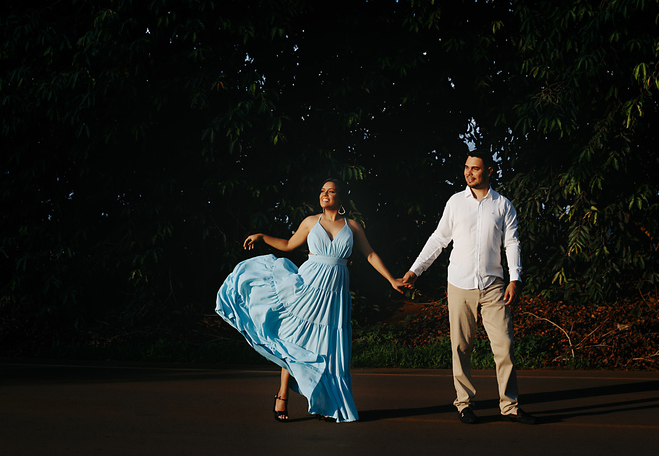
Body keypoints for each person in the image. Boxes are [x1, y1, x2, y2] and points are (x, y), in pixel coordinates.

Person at [216, 178, 407, 423]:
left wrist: (391, 280)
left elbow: (369, 254)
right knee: (295, 339)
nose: (325, 194)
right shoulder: (310, 222)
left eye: (331, 191)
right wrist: (262, 236)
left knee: (328, 346)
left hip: (334, 294)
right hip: (308, 287)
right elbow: (288, 245)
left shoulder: (352, 226)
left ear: (341, 197)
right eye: (322, 191)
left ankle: (329, 404)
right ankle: (282, 394)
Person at [402, 150, 537, 425]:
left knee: (504, 345)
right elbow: (439, 239)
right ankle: (464, 404)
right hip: (460, 285)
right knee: (461, 346)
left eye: (475, 168)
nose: (469, 172)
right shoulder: (455, 202)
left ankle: (509, 406)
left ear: (489, 171)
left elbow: (512, 243)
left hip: (493, 286)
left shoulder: (503, 205)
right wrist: (416, 270)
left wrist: (515, 278)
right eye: (466, 167)